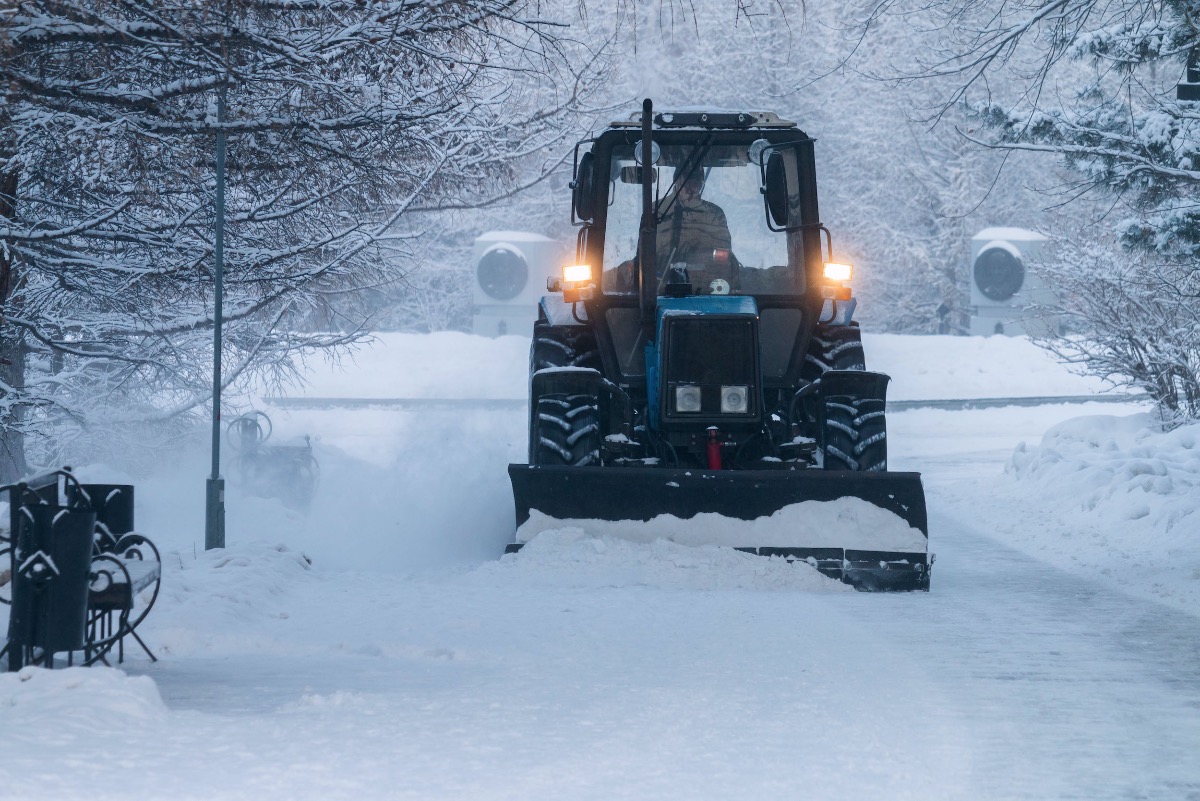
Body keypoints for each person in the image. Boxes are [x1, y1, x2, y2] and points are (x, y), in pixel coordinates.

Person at [655, 171, 736, 292]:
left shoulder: (714, 214)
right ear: (676, 182)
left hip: (705, 288)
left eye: (695, 183)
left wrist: (698, 254)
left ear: (701, 184)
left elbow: (723, 253)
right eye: (685, 183)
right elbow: (645, 253)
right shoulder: (656, 211)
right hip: (658, 289)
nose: (690, 189)